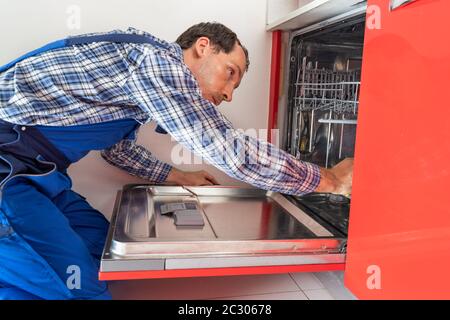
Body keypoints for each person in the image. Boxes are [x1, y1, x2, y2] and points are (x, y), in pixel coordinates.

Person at [0, 22, 352, 300]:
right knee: (77, 288)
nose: (228, 94)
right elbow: (230, 150)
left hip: (37, 176)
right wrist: (328, 180)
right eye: (231, 73)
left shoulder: (139, 75)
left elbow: (117, 150)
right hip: (7, 172)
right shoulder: (156, 63)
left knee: (105, 254)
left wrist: (174, 174)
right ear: (203, 47)